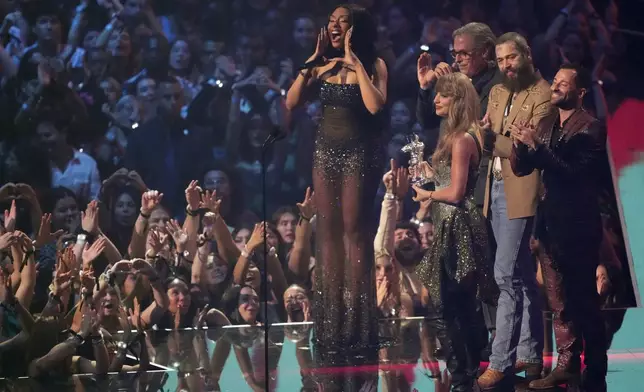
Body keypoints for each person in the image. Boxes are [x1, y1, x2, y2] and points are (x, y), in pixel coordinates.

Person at [285, 0, 386, 375]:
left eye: (343, 22)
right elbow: (291, 101)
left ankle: (358, 329)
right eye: (331, 22)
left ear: (357, 29)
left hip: (358, 154)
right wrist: (312, 59)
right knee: (326, 235)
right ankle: (330, 327)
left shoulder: (373, 66)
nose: (335, 27)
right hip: (325, 154)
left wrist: (355, 64)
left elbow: (376, 106)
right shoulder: (322, 66)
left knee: (352, 234)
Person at [510, 63, 608, 392]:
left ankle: (596, 369)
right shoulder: (548, 122)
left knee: (583, 301)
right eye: (554, 81)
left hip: (578, 226)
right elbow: (524, 169)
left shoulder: (591, 128)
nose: (555, 86)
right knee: (558, 302)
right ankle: (566, 364)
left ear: (579, 92)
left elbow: (571, 173)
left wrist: (537, 148)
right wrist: (520, 143)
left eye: (563, 83)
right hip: (550, 224)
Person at [416, 20, 502, 359]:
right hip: (451, 213)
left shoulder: (496, 85)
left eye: (463, 52)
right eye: (455, 53)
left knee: (476, 289)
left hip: (478, 202)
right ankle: (465, 359)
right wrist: (426, 88)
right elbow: (427, 120)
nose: (457, 58)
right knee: (451, 294)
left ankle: (481, 357)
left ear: (485, 52)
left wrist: (429, 195)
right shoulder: (451, 122)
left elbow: (457, 187)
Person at [476, 32, 555, 390]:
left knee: (505, 275)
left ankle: (500, 361)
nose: (506, 66)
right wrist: (484, 136)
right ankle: (531, 354)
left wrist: (492, 140)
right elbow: (490, 137)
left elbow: (528, 152)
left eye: (511, 58)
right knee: (520, 275)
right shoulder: (496, 92)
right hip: (495, 188)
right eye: (501, 60)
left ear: (527, 53)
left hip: (523, 189)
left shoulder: (544, 95)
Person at [412, 72, 495, 392]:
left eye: (443, 95)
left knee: (452, 304)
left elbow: (458, 192)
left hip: (457, 225)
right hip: (449, 221)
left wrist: (427, 195)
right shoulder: (454, 136)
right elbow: (449, 181)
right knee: (454, 304)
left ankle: (465, 373)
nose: (436, 99)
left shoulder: (462, 139)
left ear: (458, 101)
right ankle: (467, 371)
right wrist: (431, 176)